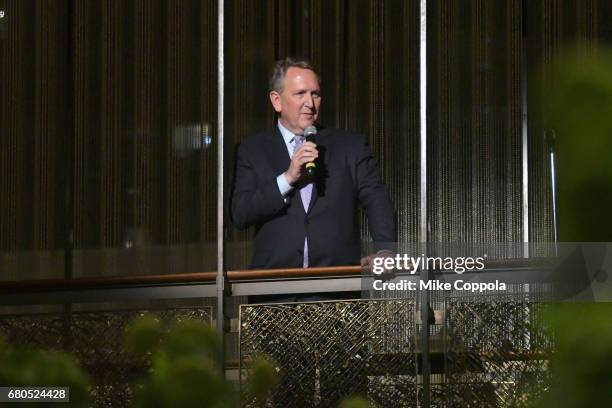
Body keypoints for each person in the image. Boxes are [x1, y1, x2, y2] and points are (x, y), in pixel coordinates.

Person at [230, 57, 396, 270]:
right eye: (300, 94)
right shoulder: (252, 150)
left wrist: (385, 250)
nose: (310, 103)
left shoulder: (349, 146)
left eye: (315, 94)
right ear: (276, 100)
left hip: (336, 285)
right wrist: (287, 179)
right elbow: (241, 214)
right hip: (274, 287)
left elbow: (376, 198)